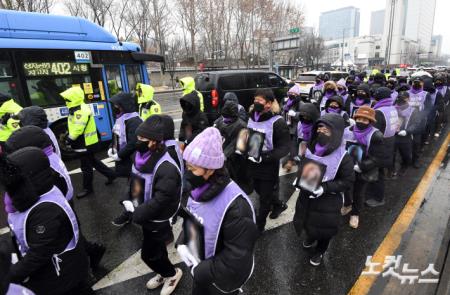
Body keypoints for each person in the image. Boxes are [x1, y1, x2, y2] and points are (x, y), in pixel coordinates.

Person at [5, 126, 107, 269]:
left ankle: (85, 264)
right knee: (73, 239)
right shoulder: (47, 158)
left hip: (57, 211)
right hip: (64, 206)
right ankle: (92, 252)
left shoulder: (44, 168)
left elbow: (45, 194)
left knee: (66, 244)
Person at [177, 127, 258, 295]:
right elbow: (193, 218)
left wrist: (201, 271)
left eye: (193, 169)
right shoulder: (197, 189)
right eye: (187, 167)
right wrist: (182, 241)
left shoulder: (237, 207)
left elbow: (237, 258)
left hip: (220, 282)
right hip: (202, 273)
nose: (188, 174)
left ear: (211, 169)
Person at [1, 147, 92, 295]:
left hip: (62, 279)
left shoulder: (46, 210)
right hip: (53, 275)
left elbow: (38, 254)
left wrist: (8, 276)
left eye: (13, 183)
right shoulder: (34, 196)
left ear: (29, 179)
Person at [115, 116, 183, 294]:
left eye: (142, 140)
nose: (138, 143)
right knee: (158, 249)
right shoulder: (140, 156)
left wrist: (137, 213)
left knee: (148, 254)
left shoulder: (166, 167)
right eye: (138, 139)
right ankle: (164, 270)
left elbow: (162, 199)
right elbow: (133, 181)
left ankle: (172, 273)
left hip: (157, 219)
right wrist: (127, 199)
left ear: (154, 142)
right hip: (145, 215)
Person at [293, 114, 354, 266]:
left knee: (325, 228)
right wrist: (299, 178)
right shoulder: (310, 147)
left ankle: (320, 250)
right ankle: (311, 237)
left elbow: (347, 181)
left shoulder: (343, 157)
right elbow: (305, 165)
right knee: (307, 220)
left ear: (337, 132)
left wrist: (325, 188)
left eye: (327, 129)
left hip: (328, 201)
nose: (322, 131)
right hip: (307, 194)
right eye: (320, 127)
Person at [60, 86, 116, 198]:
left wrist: (69, 139)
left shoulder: (82, 111)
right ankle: (111, 174)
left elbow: (78, 128)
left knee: (86, 167)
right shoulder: (77, 108)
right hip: (84, 143)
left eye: (68, 99)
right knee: (93, 162)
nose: (66, 102)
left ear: (74, 98)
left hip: (85, 143)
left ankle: (88, 189)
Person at [247, 88, 290, 231]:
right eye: (255, 100)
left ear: (269, 103)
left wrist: (265, 157)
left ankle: (259, 226)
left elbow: (284, 148)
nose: (256, 102)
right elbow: (248, 136)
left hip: (268, 165)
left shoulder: (278, 122)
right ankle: (279, 204)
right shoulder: (252, 116)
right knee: (258, 189)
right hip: (252, 161)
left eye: (259, 100)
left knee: (264, 198)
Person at [343, 107, 384, 228]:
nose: (361, 121)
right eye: (359, 118)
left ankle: (355, 214)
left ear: (370, 121)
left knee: (358, 192)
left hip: (362, 170)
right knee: (345, 188)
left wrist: (361, 166)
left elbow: (377, 158)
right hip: (347, 167)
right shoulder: (347, 131)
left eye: (365, 120)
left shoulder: (375, 135)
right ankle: (347, 204)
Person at [366, 87, 399, 207]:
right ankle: (375, 194)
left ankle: (378, 198)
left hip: (380, 145)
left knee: (377, 173)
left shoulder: (379, 112)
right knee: (379, 171)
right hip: (389, 142)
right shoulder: (392, 108)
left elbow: (373, 132)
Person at [213, 100, 249, 193]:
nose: (225, 119)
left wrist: (225, 155)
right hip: (222, 157)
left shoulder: (241, 126)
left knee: (236, 181)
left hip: (235, 160)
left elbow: (237, 144)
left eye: (228, 117)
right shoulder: (220, 121)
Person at [108, 92, 142, 177]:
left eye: (117, 106)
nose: (115, 108)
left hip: (132, 159)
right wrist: (111, 147)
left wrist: (119, 155)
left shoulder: (134, 121)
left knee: (134, 180)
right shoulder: (121, 118)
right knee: (130, 180)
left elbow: (133, 143)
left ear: (124, 106)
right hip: (126, 158)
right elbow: (116, 136)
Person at [394, 91, 426, 171]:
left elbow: (416, 123)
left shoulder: (413, 110)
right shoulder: (393, 108)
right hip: (393, 135)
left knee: (406, 153)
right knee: (393, 154)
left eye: (404, 98)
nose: (402, 99)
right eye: (400, 97)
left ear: (408, 99)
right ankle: (392, 169)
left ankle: (406, 165)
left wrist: (407, 131)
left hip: (406, 135)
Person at [282, 84, 302, 172]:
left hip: (295, 128)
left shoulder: (301, 104)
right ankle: (289, 160)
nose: (291, 94)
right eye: (290, 93)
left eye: (293, 93)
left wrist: (295, 114)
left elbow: (303, 116)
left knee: (294, 145)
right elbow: (282, 113)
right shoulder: (287, 102)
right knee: (287, 144)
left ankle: (291, 160)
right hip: (287, 127)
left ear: (297, 95)